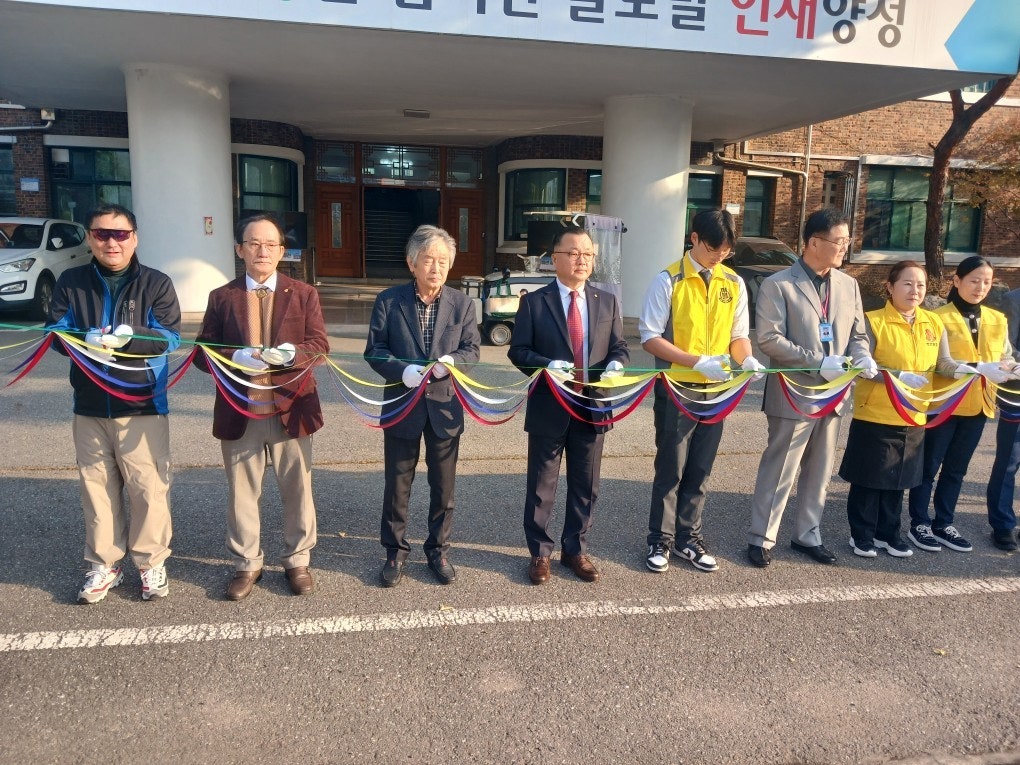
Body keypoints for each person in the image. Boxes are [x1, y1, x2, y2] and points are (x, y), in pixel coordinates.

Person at [47, 203, 181, 604]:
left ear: (134, 238)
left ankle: (150, 562)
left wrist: (129, 338)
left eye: (120, 234)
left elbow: (169, 337)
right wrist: (85, 338)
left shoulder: (156, 283)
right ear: (90, 238)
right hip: (89, 405)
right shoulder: (71, 281)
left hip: (142, 405)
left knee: (148, 489)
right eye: (102, 234)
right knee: (97, 489)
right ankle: (104, 564)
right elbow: (55, 333)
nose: (111, 242)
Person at [194, 213, 329, 601]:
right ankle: (246, 563)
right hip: (241, 410)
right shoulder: (222, 297)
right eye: (253, 243)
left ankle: (297, 560)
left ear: (282, 251)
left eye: (271, 244)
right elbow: (203, 353)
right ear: (240, 249)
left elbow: (319, 346)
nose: (262, 251)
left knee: (297, 490)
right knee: (242, 494)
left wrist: (292, 355)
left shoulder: (303, 293)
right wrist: (235, 356)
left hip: (291, 409)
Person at [747, 208, 877, 568]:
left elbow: (858, 335)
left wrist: (862, 357)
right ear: (814, 242)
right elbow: (770, 339)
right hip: (794, 392)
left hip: (835, 392)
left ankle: (808, 535)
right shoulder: (779, 284)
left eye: (847, 241)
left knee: (820, 469)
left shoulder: (848, 285)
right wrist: (818, 361)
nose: (845, 247)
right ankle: (761, 537)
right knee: (781, 468)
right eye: (839, 241)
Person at [640, 209, 765, 573]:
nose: (719, 256)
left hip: (718, 391)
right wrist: (695, 361)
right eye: (713, 248)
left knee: (701, 468)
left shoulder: (733, 282)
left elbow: (738, 335)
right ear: (694, 238)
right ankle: (660, 540)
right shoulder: (669, 280)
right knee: (671, 468)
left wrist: (747, 359)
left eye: (726, 250)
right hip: (677, 388)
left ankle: (688, 538)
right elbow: (650, 337)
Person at [508, 224, 629, 584]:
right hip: (550, 404)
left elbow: (619, 346)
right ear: (554, 258)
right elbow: (518, 350)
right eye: (574, 253)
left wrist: (617, 364)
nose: (582, 260)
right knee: (541, 484)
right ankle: (539, 553)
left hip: (593, 406)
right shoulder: (535, 302)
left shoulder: (606, 300)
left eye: (588, 254)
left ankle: (575, 549)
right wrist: (546, 364)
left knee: (586, 484)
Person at [364, 225, 481, 587]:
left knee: (443, 487)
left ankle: (438, 551)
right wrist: (402, 370)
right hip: (403, 403)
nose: (436, 267)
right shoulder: (389, 301)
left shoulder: (462, 304)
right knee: (397, 484)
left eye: (443, 261)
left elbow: (471, 350)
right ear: (412, 263)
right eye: (429, 259)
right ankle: (395, 552)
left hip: (444, 407)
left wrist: (451, 364)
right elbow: (375, 350)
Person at [838, 261, 968, 558]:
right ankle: (861, 535)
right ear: (890, 286)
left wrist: (968, 370)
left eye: (920, 285)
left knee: (899, 479)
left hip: (913, 414)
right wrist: (897, 376)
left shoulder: (933, 322)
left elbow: (943, 363)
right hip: (876, 412)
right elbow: (863, 367)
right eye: (907, 283)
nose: (915, 290)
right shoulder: (872, 321)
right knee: (869, 479)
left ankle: (889, 534)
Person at [907, 257, 1015, 553]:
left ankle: (944, 522)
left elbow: (1005, 355)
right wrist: (979, 367)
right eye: (974, 280)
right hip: (944, 404)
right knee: (929, 467)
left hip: (979, 405)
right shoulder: (937, 317)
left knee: (956, 470)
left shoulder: (997, 318)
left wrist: (1011, 367)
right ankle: (919, 522)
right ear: (957, 281)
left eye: (987, 282)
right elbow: (937, 363)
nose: (980, 287)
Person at [987, 286, 1020, 551]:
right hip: (1017, 396)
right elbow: (1006, 350)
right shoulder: (1014, 300)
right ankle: (1002, 524)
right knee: (1008, 463)